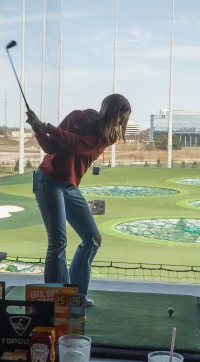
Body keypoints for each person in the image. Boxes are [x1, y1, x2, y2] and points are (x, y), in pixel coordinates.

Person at [26, 94, 130, 306]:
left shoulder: (108, 136)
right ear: (111, 112)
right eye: (121, 117)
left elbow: (80, 145)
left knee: (93, 238)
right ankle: (57, 300)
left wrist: (46, 126)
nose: (121, 123)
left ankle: (75, 296)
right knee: (58, 242)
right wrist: (37, 128)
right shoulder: (77, 116)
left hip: (69, 186)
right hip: (48, 180)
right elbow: (51, 147)